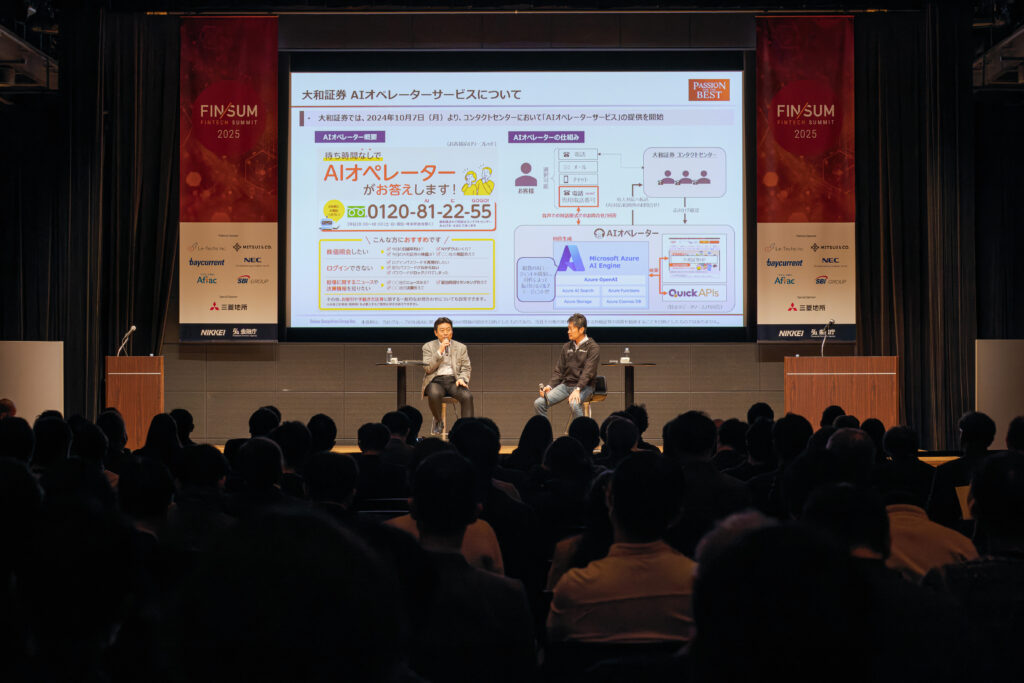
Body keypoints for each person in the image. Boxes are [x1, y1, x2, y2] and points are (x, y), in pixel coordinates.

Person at [535, 313, 600, 421]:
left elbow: (588, 372)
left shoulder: (593, 347)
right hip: (566, 385)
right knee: (539, 403)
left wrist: (578, 389)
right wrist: (549, 387)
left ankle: (581, 435)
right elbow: (559, 371)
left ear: (581, 329)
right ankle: (545, 434)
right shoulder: (566, 347)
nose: (568, 331)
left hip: (585, 386)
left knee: (574, 404)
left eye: (571, 329)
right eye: (568, 329)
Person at [422, 316, 473, 436]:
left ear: (452, 331)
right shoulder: (428, 347)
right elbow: (428, 368)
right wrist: (439, 351)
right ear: (435, 332)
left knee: (467, 396)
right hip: (435, 381)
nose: (446, 333)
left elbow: (466, 367)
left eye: (448, 330)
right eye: (442, 330)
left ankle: (468, 427)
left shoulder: (461, 347)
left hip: (453, 381)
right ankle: (439, 421)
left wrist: (462, 378)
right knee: (434, 393)